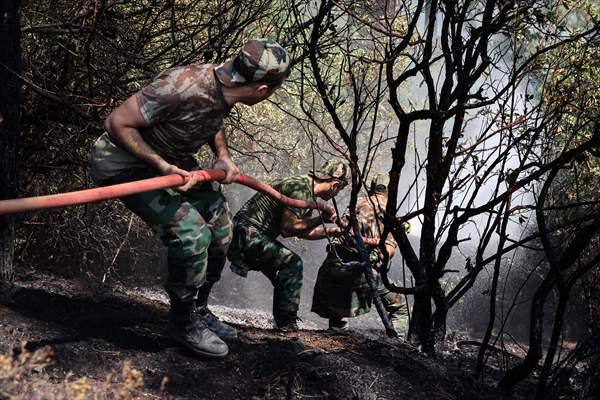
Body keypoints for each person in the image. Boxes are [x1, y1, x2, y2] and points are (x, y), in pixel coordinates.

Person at [89, 39, 291, 358]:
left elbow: (213, 119)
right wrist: (162, 166)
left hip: (171, 163)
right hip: (125, 165)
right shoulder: (183, 86)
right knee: (191, 235)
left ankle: (199, 309)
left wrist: (222, 156)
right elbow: (117, 122)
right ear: (261, 91)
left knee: (222, 230)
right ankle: (182, 323)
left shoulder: (227, 83)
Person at [227, 160, 348, 331]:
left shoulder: (305, 188)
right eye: (340, 190)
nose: (337, 194)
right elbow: (288, 228)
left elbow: (302, 232)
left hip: (249, 234)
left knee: (285, 274)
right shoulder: (302, 189)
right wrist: (321, 218)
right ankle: (286, 323)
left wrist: (333, 231)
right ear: (335, 185)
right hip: (247, 234)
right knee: (292, 263)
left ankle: (284, 321)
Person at [311, 172, 410, 335]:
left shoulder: (356, 203)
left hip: (333, 267)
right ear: (390, 188)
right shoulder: (391, 212)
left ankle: (336, 336)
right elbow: (388, 252)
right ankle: (397, 346)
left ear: (371, 187)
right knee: (400, 308)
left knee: (339, 311)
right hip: (360, 271)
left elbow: (342, 232)